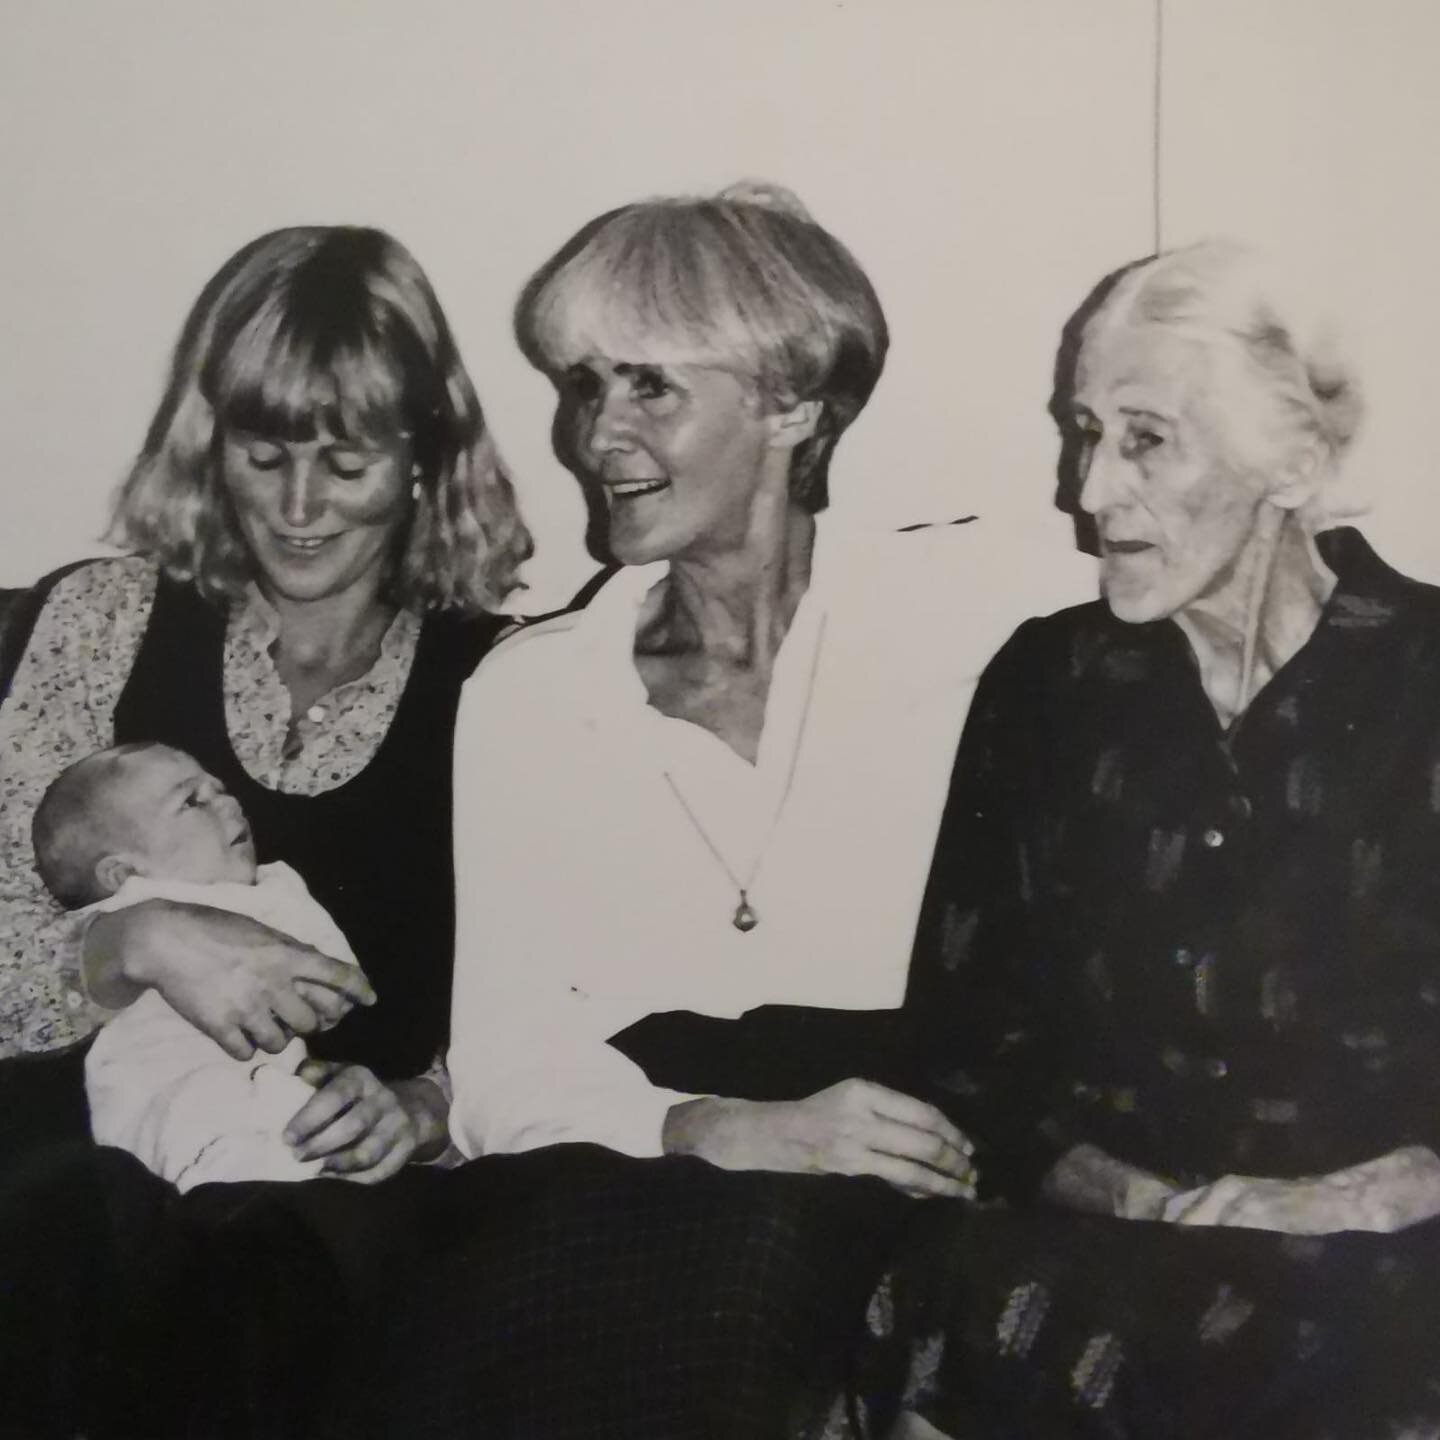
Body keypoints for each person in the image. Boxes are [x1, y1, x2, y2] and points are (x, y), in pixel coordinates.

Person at [427, 183, 1089, 1438]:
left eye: (648, 387)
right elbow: (502, 1070)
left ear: (794, 404)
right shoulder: (529, 695)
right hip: (650, 1173)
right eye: (581, 386)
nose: (593, 435)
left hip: (913, 1148)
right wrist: (724, 1128)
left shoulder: (973, 620)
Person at [872, 241, 1440, 1439]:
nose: (1086, 491)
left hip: (1389, 1256)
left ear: (1290, 460)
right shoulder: (1048, 685)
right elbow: (970, 1041)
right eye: (1083, 431)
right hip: (1104, 1247)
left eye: (1144, 439)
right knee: (945, 1307)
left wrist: (1379, 1194)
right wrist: (1135, 1197)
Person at [0, 224, 528, 1437]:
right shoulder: (103, 622)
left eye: (346, 462)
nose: (297, 509)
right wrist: (136, 946)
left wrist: (430, 1106)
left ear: (424, 457)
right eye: (262, 452)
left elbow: (550, 1004)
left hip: (319, 1198)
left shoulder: (508, 680)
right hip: (64, 1179)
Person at [33, 742, 365, 1190]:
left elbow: (338, 987)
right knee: (199, 1114)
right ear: (122, 873)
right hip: (157, 1102)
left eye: (220, 788)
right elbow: (64, 974)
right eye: (192, 801)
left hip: (269, 1091)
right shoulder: (122, 910)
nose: (228, 801)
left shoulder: (278, 888)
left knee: (299, 1124)